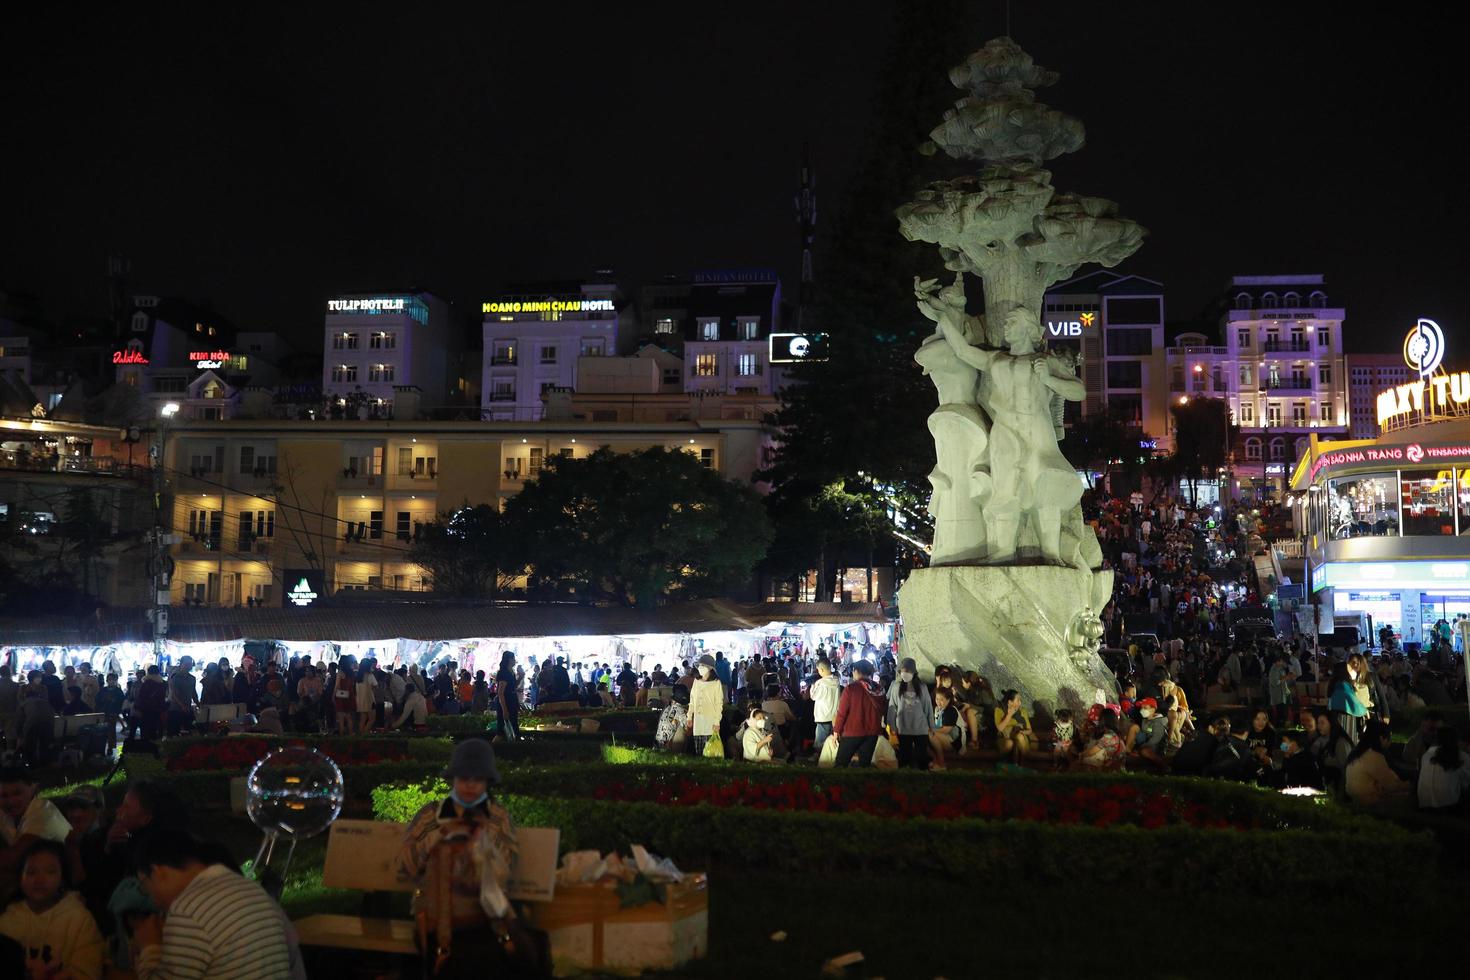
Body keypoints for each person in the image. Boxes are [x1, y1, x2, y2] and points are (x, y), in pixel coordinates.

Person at [398, 739, 539, 978]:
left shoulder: (497, 817)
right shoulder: (431, 815)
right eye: (464, 778)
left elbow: (507, 868)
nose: (471, 785)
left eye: (478, 779)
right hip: (436, 915)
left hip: (484, 918)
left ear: (487, 782)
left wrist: (481, 845)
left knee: (482, 958)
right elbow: (407, 865)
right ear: (453, 779)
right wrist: (441, 836)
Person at [131, 831, 302, 980]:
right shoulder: (250, 889)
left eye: (145, 886)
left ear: (157, 872)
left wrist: (149, 946)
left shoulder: (188, 908)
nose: (153, 900)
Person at [0, 839, 104, 980]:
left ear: (62, 878)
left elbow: (88, 971)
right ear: (20, 878)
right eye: (31, 872)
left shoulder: (79, 919)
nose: (39, 880)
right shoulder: (8, 919)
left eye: (50, 872)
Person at [0, 767, 71, 893]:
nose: (10, 801)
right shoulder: (7, 811)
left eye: (17, 793)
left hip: (59, 883)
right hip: (30, 875)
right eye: (4, 795)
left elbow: (13, 860)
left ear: (33, 790)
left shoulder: (42, 813)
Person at [832, 661, 886, 768]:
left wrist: (836, 731)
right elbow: (884, 710)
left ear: (856, 671)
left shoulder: (851, 688)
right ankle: (862, 784)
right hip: (872, 732)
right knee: (864, 766)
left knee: (840, 764)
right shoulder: (879, 689)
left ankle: (839, 785)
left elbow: (842, 713)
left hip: (852, 731)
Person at [1343, 721, 1410, 806]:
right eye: (1389, 738)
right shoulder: (1374, 756)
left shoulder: (1357, 753)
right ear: (1382, 738)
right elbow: (1391, 785)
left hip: (1354, 799)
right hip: (1368, 801)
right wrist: (1409, 784)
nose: (1390, 742)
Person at [885, 659, 933, 769]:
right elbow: (892, 707)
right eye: (903, 670)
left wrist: (931, 726)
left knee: (921, 758)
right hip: (903, 728)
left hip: (920, 728)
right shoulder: (896, 687)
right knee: (904, 758)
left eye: (907, 670)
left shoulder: (922, 687)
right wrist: (891, 725)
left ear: (913, 672)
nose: (904, 673)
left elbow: (928, 708)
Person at [1417, 727, 1470, 811]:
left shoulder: (1426, 755)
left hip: (1424, 804)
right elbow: (1465, 785)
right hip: (1449, 807)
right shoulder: (1462, 756)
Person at [686, 655, 725, 755]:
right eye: (699, 665)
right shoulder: (696, 681)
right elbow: (692, 700)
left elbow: (718, 704)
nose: (700, 667)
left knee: (710, 752)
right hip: (698, 722)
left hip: (711, 722)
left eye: (703, 665)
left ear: (710, 668)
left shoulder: (716, 683)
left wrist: (717, 721)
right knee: (699, 751)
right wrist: (689, 716)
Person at [1327, 662, 1368, 746]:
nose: (1352, 670)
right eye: (1349, 668)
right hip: (1346, 718)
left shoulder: (1334, 683)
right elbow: (1353, 702)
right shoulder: (1343, 685)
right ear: (1344, 671)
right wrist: (1365, 710)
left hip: (1335, 716)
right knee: (1347, 743)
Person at [927, 687, 965, 769]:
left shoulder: (951, 710)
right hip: (944, 738)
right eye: (937, 699)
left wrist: (930, 730)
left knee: (931, 734)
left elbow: (946, 730)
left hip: (955, 741)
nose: (938, 702)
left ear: (948, 700)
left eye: (941, 699)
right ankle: (935, 760)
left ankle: (941, 763)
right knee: (922, 738)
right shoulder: (937, 709)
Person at [809, 659, 840, 757]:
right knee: (832, 740)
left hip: (823, 716)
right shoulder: (836, 680)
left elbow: (813, 696)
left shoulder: (821, 683)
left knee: (820, 742)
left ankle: (820, 760)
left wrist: (812, 687)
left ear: (821, 669)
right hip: (834, 716)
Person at [993, 689, 1033, 762]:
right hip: (1004, 738)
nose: (1020, 703)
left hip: (1020, 738)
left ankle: (1026, 763)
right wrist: (1009, 715)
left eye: (1020, 700)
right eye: (1018, 700)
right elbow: (1000, 728)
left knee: (1019, 737)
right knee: (1009, 743)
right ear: (1010, 702)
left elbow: (1029, 730)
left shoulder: (1022, 711)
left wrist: (1022, 732)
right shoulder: (999, 710)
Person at [655, 686, 690, 753]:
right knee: (683, 730)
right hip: (669, 747)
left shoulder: (667, 708)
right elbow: (688, 727)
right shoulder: (682, 712)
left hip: (658, 744)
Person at [495, 652, 519, 741]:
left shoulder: (511, 672)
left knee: (512, 728)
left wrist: (520, 677)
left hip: (511, 702)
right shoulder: (504, 673)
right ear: (509, 660)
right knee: (501, 732)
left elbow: (513, 686)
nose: (515, 660)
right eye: (513, 658)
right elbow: (500, 693)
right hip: (506, 702)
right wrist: (504, 710)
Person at [355, 659, 379, 734]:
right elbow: (376, 686)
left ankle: (361, 735)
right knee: (372, 719)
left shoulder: (358, 676)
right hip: (369, 700)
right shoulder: (370, 675)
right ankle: (365, 734)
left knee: (363, 719)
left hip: (360, 700)